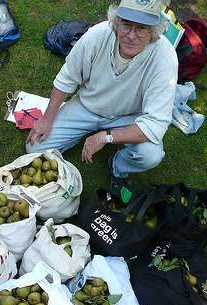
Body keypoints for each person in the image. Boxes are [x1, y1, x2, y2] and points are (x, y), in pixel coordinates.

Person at [26, 0, 178, 190]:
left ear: (154, 31)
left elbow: (155, 125)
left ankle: (118, 165)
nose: (131, 35)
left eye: (141, 28)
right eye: (126, 25)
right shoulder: (97, 35)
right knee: (34, 148)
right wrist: (47, 119)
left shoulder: (165, 56)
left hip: (129, 117)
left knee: (150, 155)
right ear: (116, 22)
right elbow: (67, 77)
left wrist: (105, 137)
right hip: (86, 106)